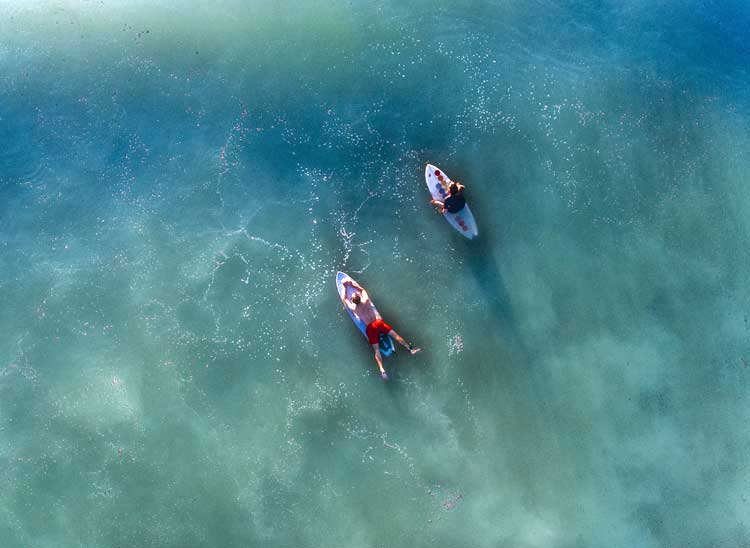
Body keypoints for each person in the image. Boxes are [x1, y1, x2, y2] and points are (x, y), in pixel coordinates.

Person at [342, 279, 420, 379]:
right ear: (359, 297)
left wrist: (345, 287)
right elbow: (362, 290)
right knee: (396, 336)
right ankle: (410, 350)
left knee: (377, 350)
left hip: (370, 328)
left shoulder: (353, 308)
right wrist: (352, 285)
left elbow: (345, 300)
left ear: (353, 301)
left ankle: (382, 370)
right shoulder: (366, 300)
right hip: (379, 323)